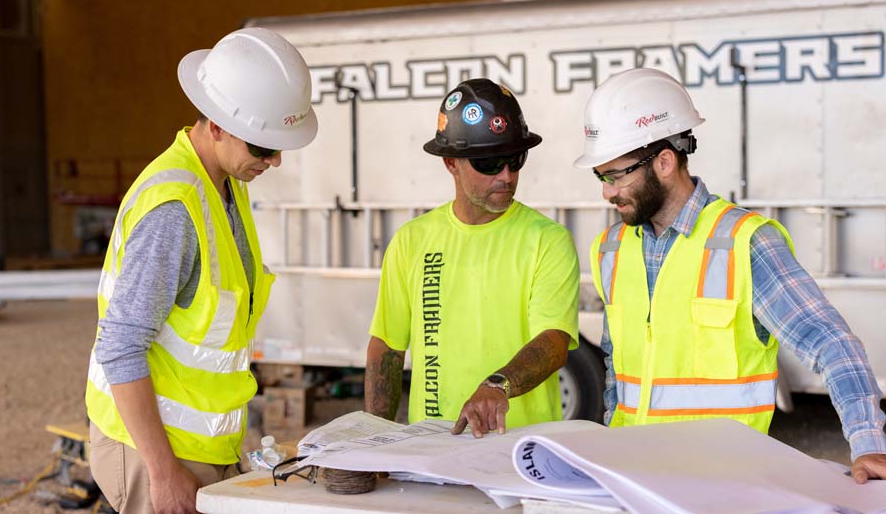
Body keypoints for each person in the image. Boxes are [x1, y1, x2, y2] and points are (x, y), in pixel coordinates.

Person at [575, 68, 886, 483]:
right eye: (601, 176)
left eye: (615, 175)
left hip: (725, 486)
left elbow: (831, 343)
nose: (606, 192)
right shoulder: (610, 249)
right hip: (633, 482)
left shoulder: (745, 242)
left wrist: (869, 444)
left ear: (664, 162)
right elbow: (616, 371)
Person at [84, 28, 317, 514]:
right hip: (157, 451)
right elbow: (121, 346)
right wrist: (163, 471)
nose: (273, 161)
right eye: (262, 146)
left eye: (279, 147)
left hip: (203, 447)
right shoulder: (174, 210)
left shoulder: (226, 183)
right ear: (215, 124)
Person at [364, 78, 580, 438]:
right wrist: (377, 440)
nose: (507, 176)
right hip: (432, 450)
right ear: (451, 163)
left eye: (515, 159)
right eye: (490, 162)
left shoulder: (548, 240)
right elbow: (387, 347)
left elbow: (554, 341)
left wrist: (498, 386)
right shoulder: (411, 241)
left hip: (520, 454)